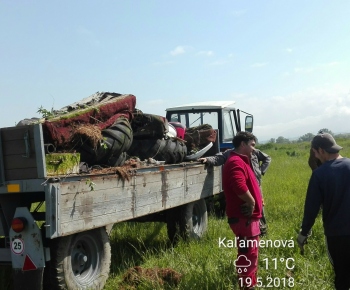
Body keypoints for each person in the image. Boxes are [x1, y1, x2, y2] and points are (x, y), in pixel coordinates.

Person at [297, 133, 350, 289]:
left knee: (342, 276)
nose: (315, 156)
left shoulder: (319, 174)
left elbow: (311, 208)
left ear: (320, 150)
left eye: (314, 152)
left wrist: (304, 233)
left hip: (337, 235)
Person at [199, 145, 271, 235]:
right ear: (242, 143)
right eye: (251, 144)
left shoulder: (254, 152)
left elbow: (267, 158)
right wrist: (208, 159)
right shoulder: (230, 153)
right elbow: (218, 158)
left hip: (255, 184)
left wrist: (261, 171)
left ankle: (262, 230)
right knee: (245, 208)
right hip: (244, 186)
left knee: (260, 206)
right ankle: (250, 230)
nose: (253, 147)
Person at [222, 131, 263, 290]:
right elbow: (238, 186)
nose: (253, 149)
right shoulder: (235, 162)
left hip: (246, 218)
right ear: (242, 144)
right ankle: (247, 286)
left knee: (249, 253)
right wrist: (252, 201)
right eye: (252, 145)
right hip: (244, 218)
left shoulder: (240, 160)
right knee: (248, 254)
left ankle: (248, 284)